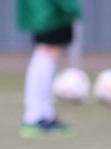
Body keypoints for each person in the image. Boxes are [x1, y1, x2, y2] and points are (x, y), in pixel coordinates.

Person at [17, 0, 81, 137]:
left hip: (48, 7)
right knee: (47, 48)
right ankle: (34, 117)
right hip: (47, 7)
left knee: (52, 49)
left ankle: (45, 114)